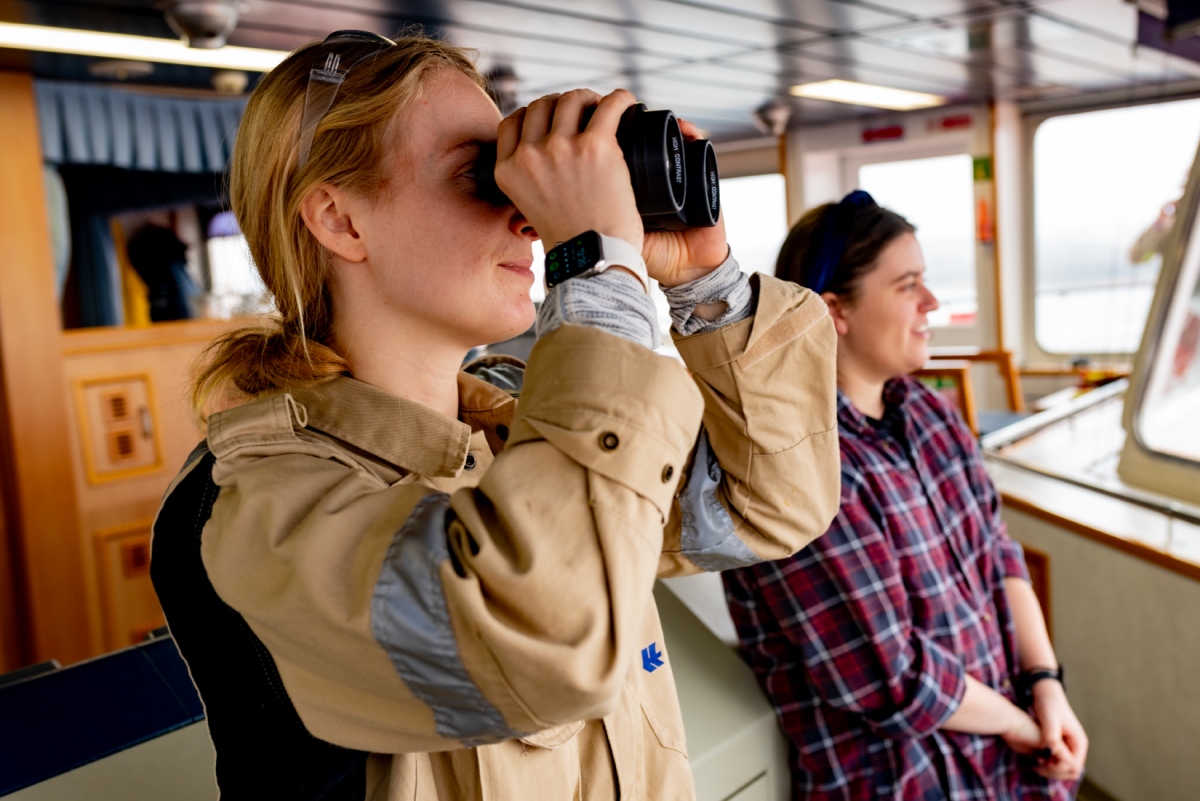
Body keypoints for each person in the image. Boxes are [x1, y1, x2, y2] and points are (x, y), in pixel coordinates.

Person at [149, 31, 841, 801]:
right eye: (482, 177)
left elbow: (769, 505)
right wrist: (595, 266)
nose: (529, 221)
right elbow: (541, 636)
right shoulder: (251, 505)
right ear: (340, 221)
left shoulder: (510, 432)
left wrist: (704, 282)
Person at [723, 191, 1089, 800]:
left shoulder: (929, 413)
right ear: (835, 311)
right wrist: (1022, 724)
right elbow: (888, 676)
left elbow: (998, 553)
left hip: (1009, 752)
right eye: (908, 285)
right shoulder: (792, 460)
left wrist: (1047, 684)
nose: (932, 303)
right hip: (905, 776)